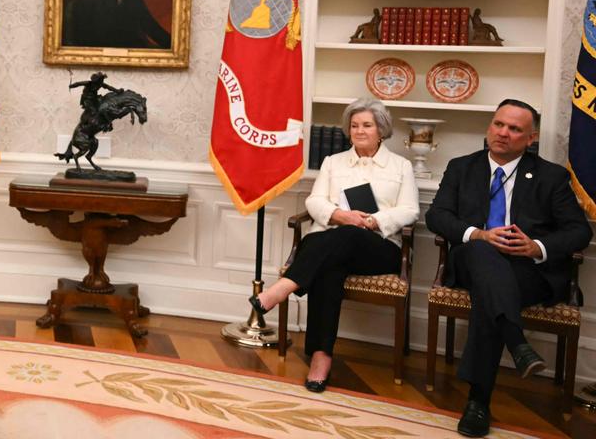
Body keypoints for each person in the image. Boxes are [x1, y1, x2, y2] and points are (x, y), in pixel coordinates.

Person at [425, 99, 591, 437]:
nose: (503, 133)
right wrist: (480, 234)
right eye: (499, 124)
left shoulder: (551, 176)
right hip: (472, 261)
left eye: (515, 129)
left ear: (531, 138)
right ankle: (515, 343)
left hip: (528, 271)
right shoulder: (462, 167)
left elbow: (579, 230)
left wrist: (537, 247)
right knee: (483, 252)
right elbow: (437, 215)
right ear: (489, 127)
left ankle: (478, 403)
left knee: (491, 295)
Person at [250, 98, 418, 392]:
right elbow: (314, 201)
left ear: (381, 129)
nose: (359, 131)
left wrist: (371, 221)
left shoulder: (401, 166)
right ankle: (321, 356)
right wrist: (340, 215)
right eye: (354, 125)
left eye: (366, 125)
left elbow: (410, 211)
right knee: (330, 266)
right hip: (332, 244)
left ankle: (284, 287)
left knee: (349, 235)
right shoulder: (333, 162)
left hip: (378, 248)